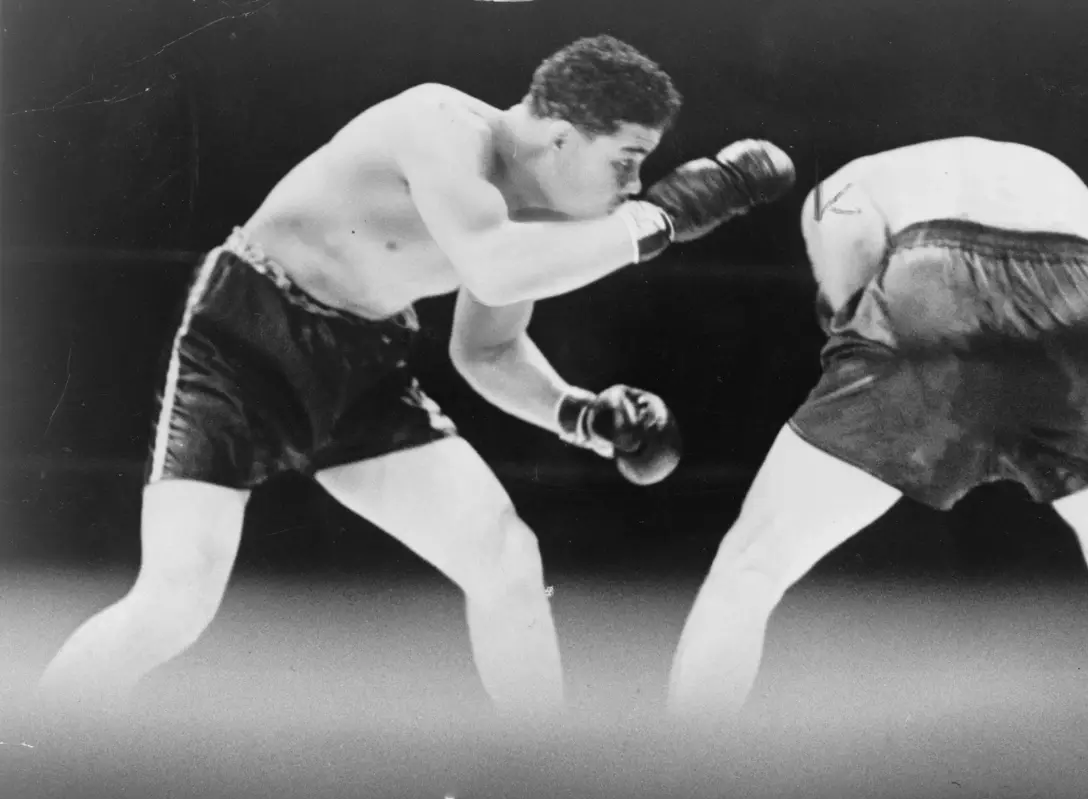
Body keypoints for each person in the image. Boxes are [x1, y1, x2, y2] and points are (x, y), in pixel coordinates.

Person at [35, 34, 795, 719]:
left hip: (364, 368)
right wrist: (660, 222)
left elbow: (488, 351)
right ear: (562, 136)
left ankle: (547, 783)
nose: (634, 185)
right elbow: (496, 269)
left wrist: (579, 414)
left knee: (505, 559)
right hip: (246, 348)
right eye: (626, 161)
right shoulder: (438, 124)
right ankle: (31, 754)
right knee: (174, 603)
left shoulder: (546, 223)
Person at [665, 136, 1088, 718]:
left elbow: (852, 277)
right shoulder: (1038, 169)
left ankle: (676, 787)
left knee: (750, 566)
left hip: (936, 287)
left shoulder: (840, 182)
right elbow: (1077, 275)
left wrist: (848, 313)